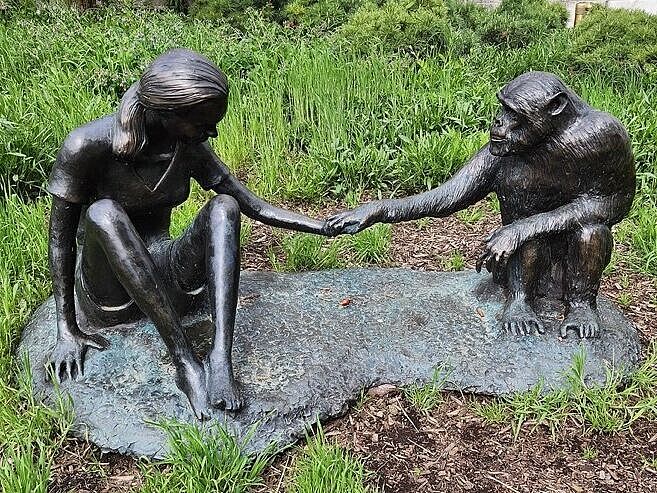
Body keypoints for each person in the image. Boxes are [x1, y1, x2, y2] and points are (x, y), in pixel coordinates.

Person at [47, 48, 329, 419]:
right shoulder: (87, 145)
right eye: (202, 123)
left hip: (165, 276)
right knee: (103, 213)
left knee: (224, 206)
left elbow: (250, 203)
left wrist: (320, 226)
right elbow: (59, 241)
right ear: (167, 112)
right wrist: (66, 328)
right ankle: (184, 363)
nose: (210, 132)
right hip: (111, 293)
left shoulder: (188, 146)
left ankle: (219, 356)